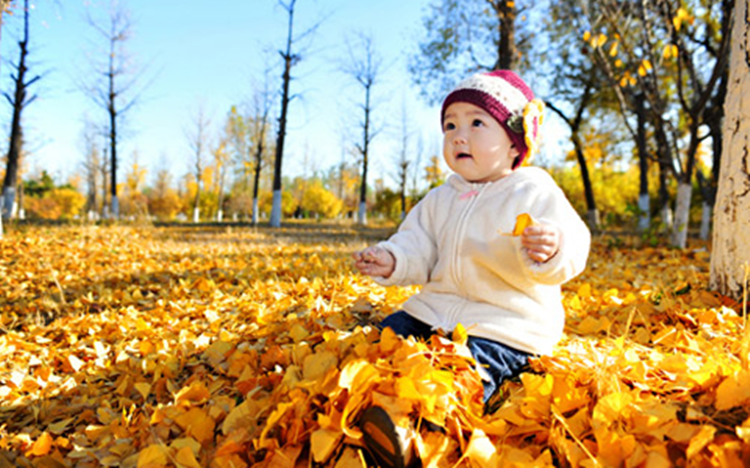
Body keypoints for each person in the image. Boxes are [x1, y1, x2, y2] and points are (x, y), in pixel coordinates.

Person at [352, 69, 591, 467]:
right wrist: (394, 259)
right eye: (450, 125)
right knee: (386, 339)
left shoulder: (533, 189)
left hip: (503, 323)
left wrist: (552, 247)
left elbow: (574, 241)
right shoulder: (440, 198)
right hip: (434, 312)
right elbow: (419, 245)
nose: (458, 135)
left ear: (515, 143)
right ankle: (369, 403)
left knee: (469, 370)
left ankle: (426, 433)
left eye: (476, 123)